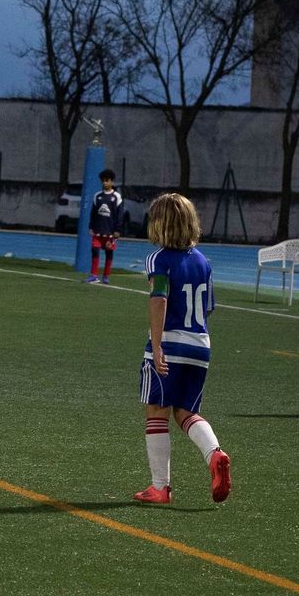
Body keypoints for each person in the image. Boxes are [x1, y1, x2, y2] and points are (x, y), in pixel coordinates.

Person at [134, 192, 232, 505]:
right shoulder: (204, 262)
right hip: (200, 345)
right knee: (187, 411)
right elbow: (209, 308)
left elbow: (159, 299)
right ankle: (215, 454)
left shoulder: (159, 260)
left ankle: (160, 487)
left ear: (159, 225)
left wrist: (158, 344)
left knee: (156, 411)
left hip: (170, 343)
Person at [86, 169, 122, 284]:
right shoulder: (97, 196)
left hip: (110, 231)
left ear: (111, 181)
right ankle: (94, 275)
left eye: (107, 181)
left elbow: (119, 214)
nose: (104, 183)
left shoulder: (116, 197)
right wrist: (91, 226)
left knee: (109, 252)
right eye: (103, 181)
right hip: (98, 230)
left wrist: (117, 230)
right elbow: (93, 213)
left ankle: (106, 276)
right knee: (95, 250)